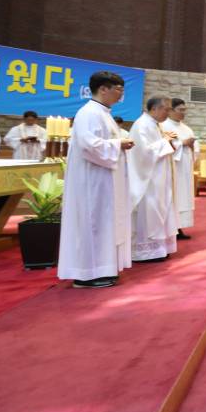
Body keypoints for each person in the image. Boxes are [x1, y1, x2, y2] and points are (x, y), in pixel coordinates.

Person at [57, 72, 135, 288]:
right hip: (92, 181)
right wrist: (118, 144)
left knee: (102, 224)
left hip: (103, 178)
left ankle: (101, 269)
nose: (121, 94)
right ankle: (86, 274)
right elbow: (88, 145)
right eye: (118, 89)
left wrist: (118, 143)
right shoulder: (89, 113)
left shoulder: (103, 113)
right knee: (93, 223)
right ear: (103, 89)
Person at [128, 96, 179, 263]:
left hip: (158, 178)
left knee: (159, 211)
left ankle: (159, 248)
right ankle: (145, 252)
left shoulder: (155, 125)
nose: (168, 112)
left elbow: (158, 147)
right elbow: (143, 152)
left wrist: (168, 141)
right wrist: (165, 141)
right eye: (166, 109)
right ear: (154, 109)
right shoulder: (141, 125)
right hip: (147, 180)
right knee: (149, 212)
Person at [163, 99, 197, 240]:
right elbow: (164, 145)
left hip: (185, 168)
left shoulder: (186, 128)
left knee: (183, 197)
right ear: (171, 110)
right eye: (180, 110)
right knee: (174, 197)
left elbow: (195, 147)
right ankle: (171, 228)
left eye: (185, 110)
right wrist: (182, 143)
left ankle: (179, 227)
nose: (184, 113)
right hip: (173, 168)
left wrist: (191, 145)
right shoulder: (164, 126)